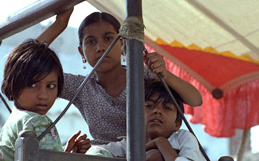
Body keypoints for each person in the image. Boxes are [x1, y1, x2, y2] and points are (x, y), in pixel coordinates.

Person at [37, 9, 203, 145]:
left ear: (122, 44)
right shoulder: (81, 87)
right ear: (81, 52)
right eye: (91, 42)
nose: (100, 47)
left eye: (108, 38)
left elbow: (196, 100)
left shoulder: (143, 75)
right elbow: (25, 66)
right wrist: (59, 24)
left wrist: (164, 74)